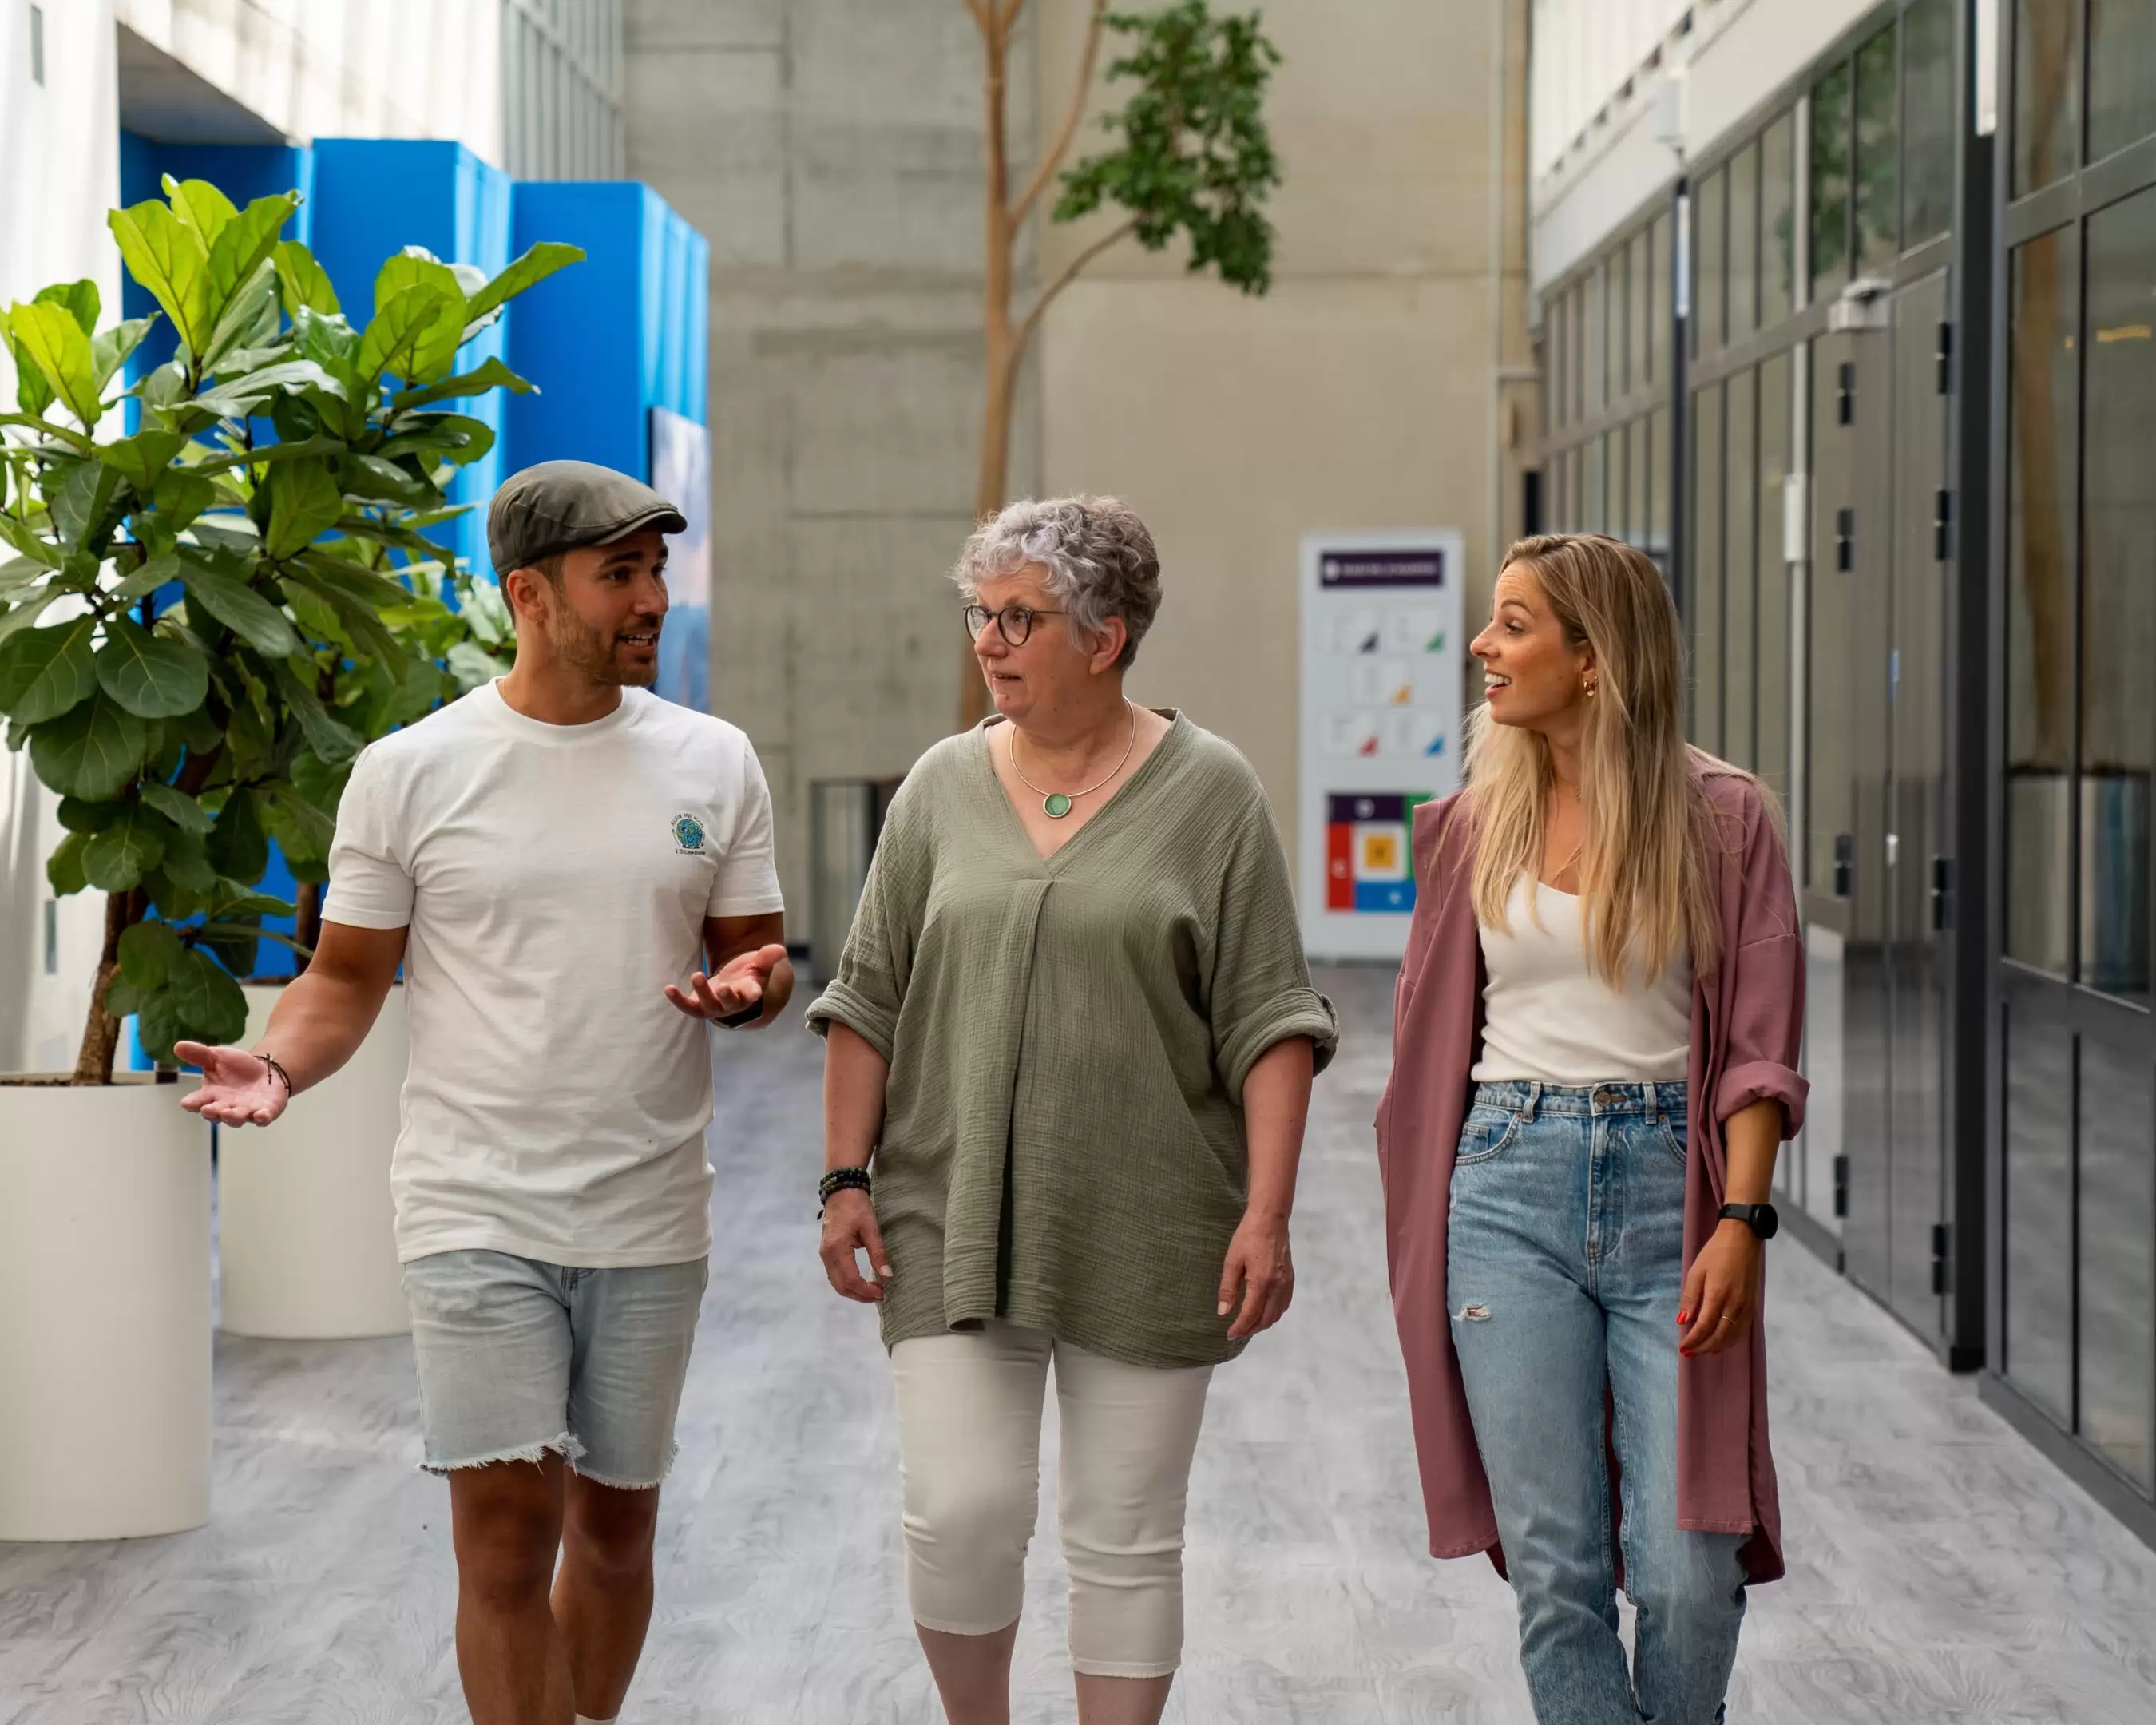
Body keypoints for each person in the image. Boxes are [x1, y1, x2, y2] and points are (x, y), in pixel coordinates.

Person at [176, 460, 791, 1725]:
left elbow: (756, 953)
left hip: (649, 1207)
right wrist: (280, 1060)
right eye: (619, 572)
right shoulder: (412, 771)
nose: (654, 598)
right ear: (529, 593)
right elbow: (344, 978)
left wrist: (751, 987)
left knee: (616, 1539)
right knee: (506, 1543)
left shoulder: (713, 762)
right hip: (473, 1206)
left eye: (657, 568)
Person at [807, 495, 1337, 1725]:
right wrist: (844, 1180)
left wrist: (1268, 1212)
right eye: (979, 613)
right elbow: (868, 994)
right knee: (959, 1512)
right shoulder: (941, 787)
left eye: (1020, 618)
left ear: (1105, 638)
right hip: (951, 1207)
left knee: (1128, 1536)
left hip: (1153, 1216)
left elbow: (1269, 1019)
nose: (988, 641)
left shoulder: (1213, 794)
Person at [1376, 533, 1804, 1725]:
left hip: (1679, 1187)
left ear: (1595, 660)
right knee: (1556, 1568)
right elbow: (1428, 1044)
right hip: (1506, 1188)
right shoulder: (1468, 826)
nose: (1482, 646)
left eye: (1513, 625)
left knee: (1688, 1568)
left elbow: (1763, 1049)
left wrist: (1743, 1221)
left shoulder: (1722, 820)